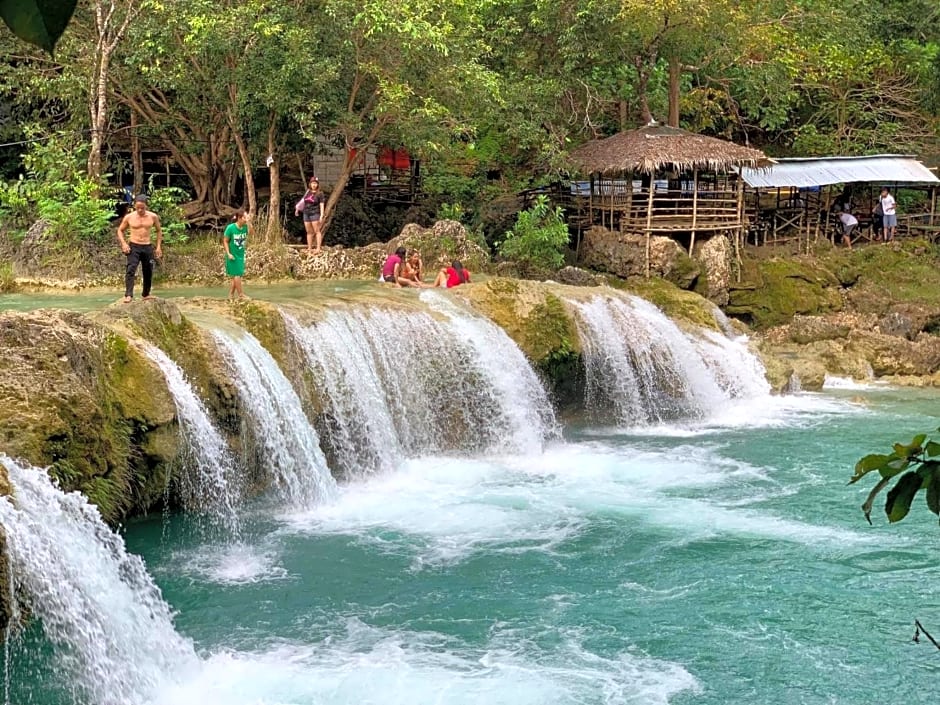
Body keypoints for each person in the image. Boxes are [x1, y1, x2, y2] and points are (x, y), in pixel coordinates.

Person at [117, 194, 163, 303]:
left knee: (148, 270)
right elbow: (120, 230)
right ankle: (128, 295)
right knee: (131, 269)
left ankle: (146, 294)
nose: (140, 210)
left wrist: (158, 247)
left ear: (146, 206)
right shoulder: (129, 217)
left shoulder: (153, 216)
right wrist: (124, 244)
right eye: (137, 208)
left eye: (142, 208)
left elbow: (159, 231)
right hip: (134, 246)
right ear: (134, 206)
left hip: (147, 246)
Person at [224, 208, 251, 299]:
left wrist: (249, 223)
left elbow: (252, 233)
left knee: (236, 275)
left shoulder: (245, 227)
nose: (246, 219)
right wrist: (228, 253)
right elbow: (225, 241)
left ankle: (230, 295)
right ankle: (241, 295)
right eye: (244, 217)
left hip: (240, 254)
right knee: (237, 275)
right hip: (232, 255)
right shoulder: (230, 228)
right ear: (239, 218)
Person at [297, 176, 326, 255]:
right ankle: (309, 248)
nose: (314, 185)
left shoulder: (320, 194)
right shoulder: (308, 192)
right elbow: (302, 202)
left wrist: (321, 215)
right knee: (309, 232)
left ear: (317, 184)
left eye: (315, 183)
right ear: (310, 184)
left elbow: (321, 205)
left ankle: (318, 248)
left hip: (315, 213)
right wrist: (297, 209)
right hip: (306, 213)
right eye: (313, 183)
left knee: (317, 231)